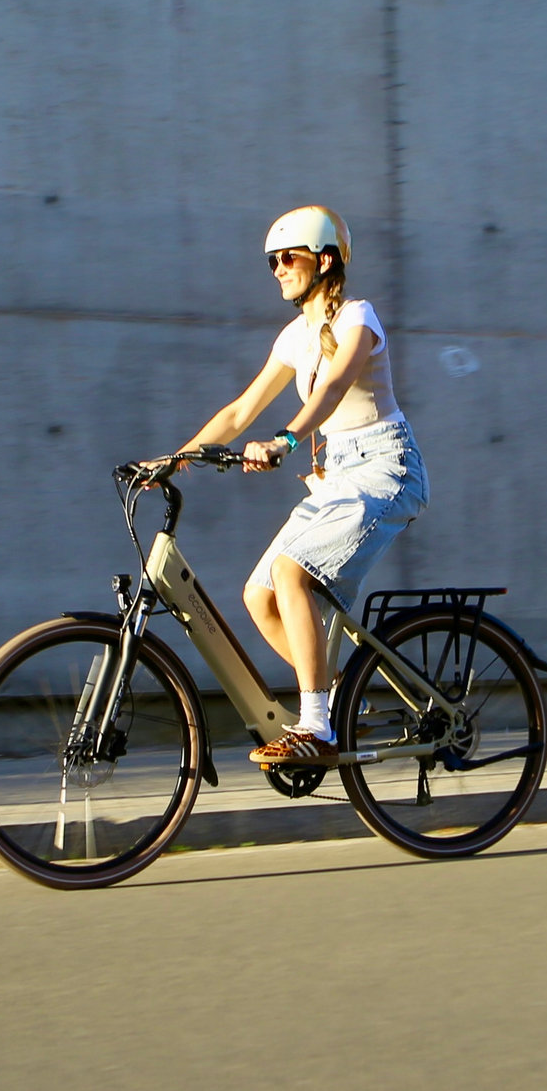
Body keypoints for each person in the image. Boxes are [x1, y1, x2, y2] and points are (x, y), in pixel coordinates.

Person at [169, 206, 428, 766]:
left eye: (289, 257)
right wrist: (175, 458)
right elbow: (239, 411)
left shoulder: (358, 318)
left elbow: (332, 388)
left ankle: (317, 727)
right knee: (259, 596)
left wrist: (284, 441)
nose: (279, 269)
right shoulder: (294, 337)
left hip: (387, 468)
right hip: (339, 476)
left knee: (291, 573)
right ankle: (338, 702)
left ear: (325, 260)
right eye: (272, 262)